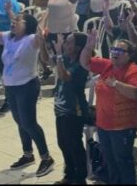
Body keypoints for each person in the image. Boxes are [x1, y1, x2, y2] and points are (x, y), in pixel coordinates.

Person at [0, 0, 54, 177]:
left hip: (27, 86)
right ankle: (28, 154)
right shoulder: (8, 37)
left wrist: (44, 19)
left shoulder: (31, 40)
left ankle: (46, 158)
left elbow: (40, 38)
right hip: (11, 87)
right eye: (13, 20)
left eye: (18, 20)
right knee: (20, 122)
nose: (13, 22)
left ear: (27, 26)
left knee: (29, 123)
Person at [80, 31, 137, 185]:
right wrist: (88, 46)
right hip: (103, 124)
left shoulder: (133, 70)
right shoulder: (107, 65)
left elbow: (136, 92)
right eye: (114, 49)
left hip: (122, 126)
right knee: (109, 161)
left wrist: (116, 84)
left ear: (130, 55)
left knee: (123, 162)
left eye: (120, 51)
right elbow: (85, 62)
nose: (115, 53)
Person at [50, 32, 90, 185]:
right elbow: (46, 60)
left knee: (74, 144)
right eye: (65, 42)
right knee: (63, 143)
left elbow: (64, 76)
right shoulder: (66, 58)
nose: (65, 44)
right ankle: (69, 175)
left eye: (69, 42)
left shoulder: (81, 64)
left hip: (74, 110)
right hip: (61, 108)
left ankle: (80, 178)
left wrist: (59, 54)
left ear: (78, 47)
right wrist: (42, 43)